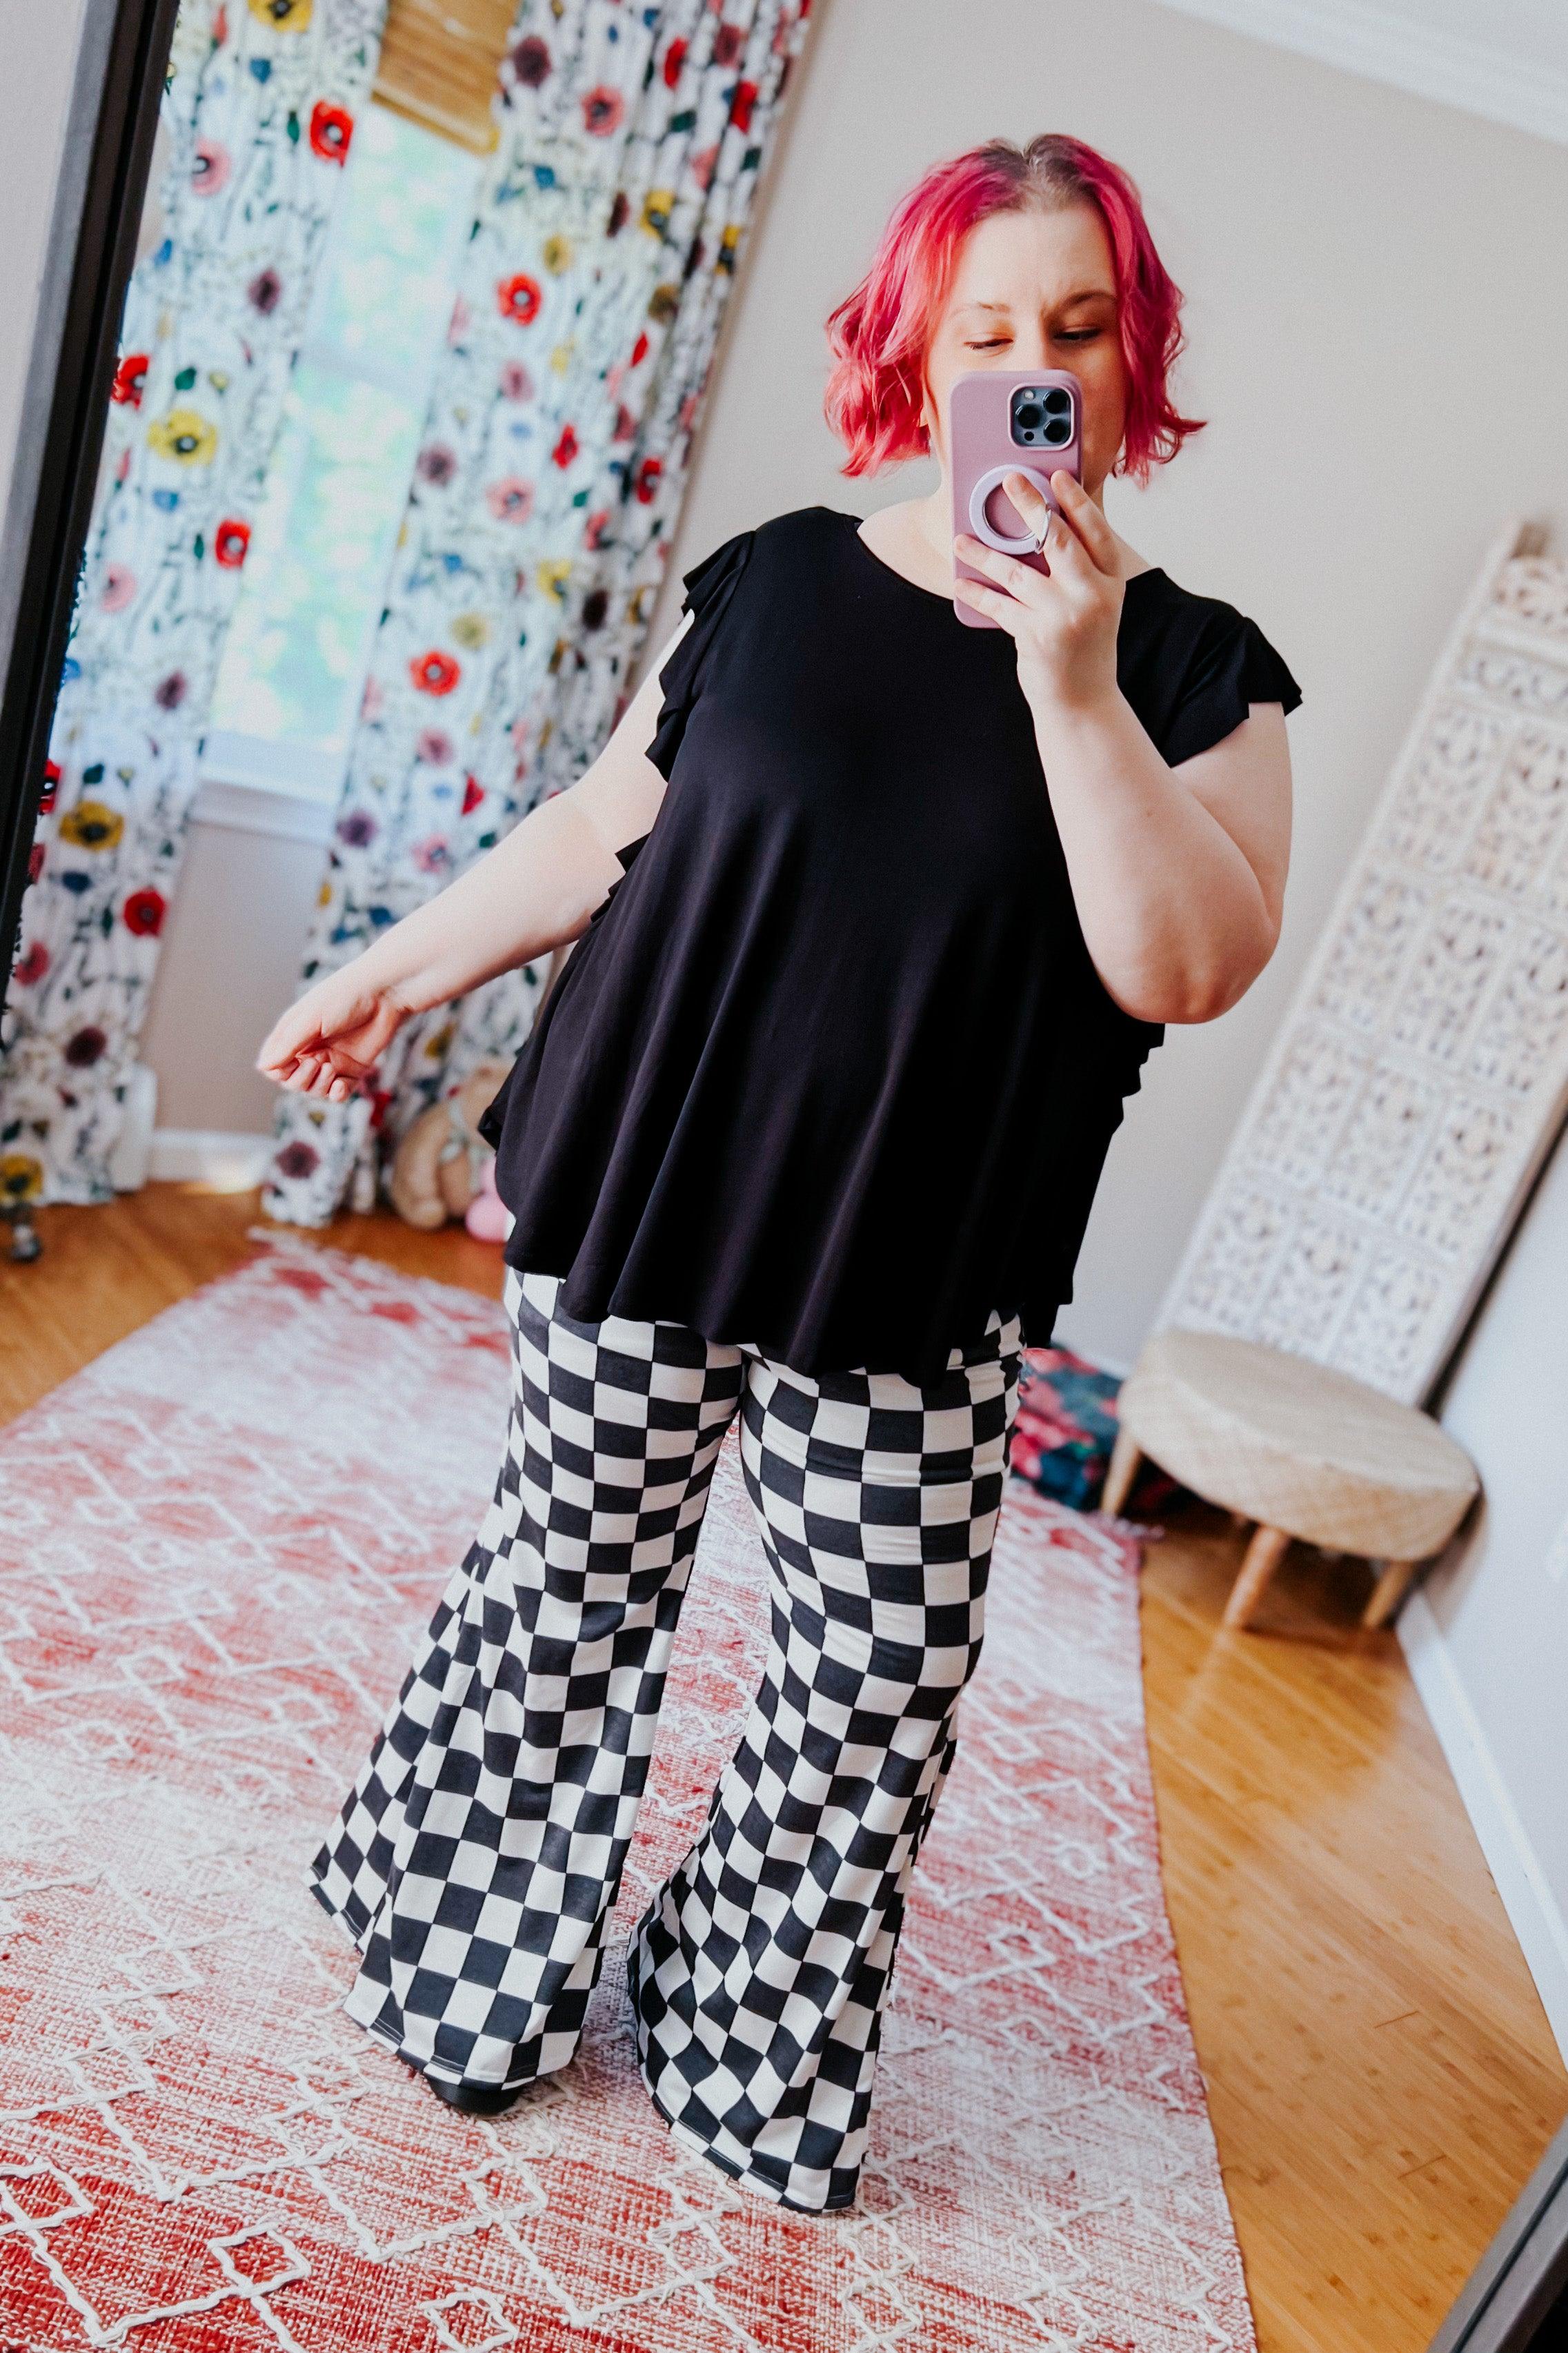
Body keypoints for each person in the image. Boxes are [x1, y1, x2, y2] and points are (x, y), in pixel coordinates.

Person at [257, 132, 1299, 2216]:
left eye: (1078, 329)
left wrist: (1069, 681)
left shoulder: (1197, 670)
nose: (1033, 369)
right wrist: (391, 967)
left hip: (922, 1257)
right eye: (986, 331)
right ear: (917, 351)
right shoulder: (778, 577)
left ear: (1135, 361)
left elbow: (1184, 965)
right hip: (649, 1179)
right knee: (568, 1581)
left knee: (879, 1672)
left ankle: (736, 2026)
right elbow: (597, 830)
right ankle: (463, 1954)